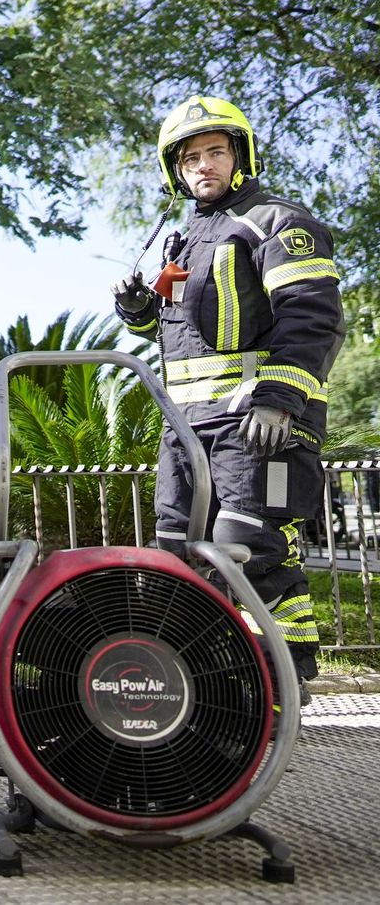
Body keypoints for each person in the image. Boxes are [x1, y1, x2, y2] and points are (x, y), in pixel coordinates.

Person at [112, 94, 344, 701]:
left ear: (239, 154)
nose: (203, 166)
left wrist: (279, 399)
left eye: (215, 151)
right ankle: (209, 684)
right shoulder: (179, 241)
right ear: (176, 171)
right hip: (188, 429)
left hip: (257, 423)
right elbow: (175, 333)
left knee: (247, 548)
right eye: (190, 158)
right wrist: (136, 310)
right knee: (177, 554)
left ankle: (282, 685)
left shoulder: (277, 222)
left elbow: (311, 317)